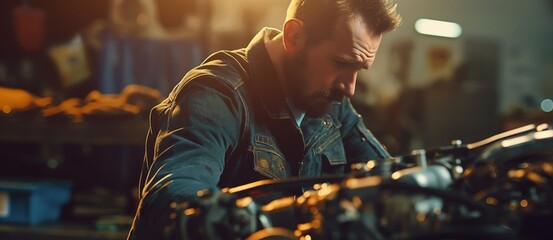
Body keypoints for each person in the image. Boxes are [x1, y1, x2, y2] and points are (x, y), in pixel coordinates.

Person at [128, 0, 402, 238]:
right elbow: (172, 201)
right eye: (340, 64)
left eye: (359, 69)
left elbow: (392, 181)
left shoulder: (332, 104)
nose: (350, 88)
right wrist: (286, 216)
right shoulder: (217, 95)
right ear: (294, 37)